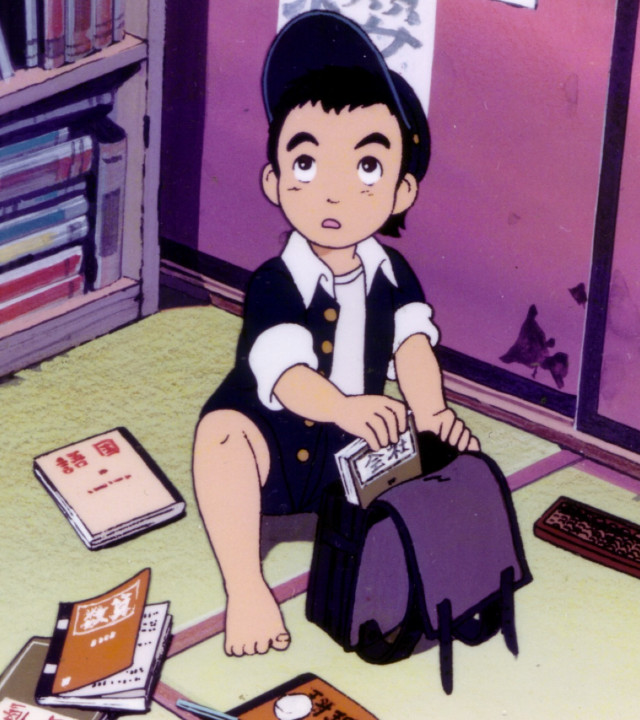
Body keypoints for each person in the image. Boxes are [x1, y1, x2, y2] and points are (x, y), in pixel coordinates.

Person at [192, 10, 479, 657]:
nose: (335, 190)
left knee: (440, 467)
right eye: (307, 160)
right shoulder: (277, 282)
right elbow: (288, 377)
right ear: (274, 179)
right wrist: (346, 406)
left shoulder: (391, 273)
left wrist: (431, 412)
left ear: (403, 189)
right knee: (220, 438)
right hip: (277, 446)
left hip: (353, 457)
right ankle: (247, 589)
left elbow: (412, 346)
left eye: (368, 167)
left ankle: (440, 590)